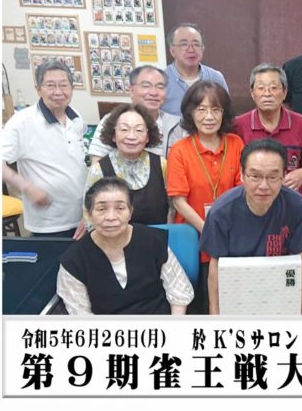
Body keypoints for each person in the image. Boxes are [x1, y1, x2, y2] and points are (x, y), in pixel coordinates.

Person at [200, 139, 302, 315]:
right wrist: (215, 315)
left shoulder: (297, 206)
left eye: (272, 177)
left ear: (284, 176)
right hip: (237, 288)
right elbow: (215, 266)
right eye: (255, 176)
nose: (264, 186)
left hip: (281, 286)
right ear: (242, 174)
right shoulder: (221, 211)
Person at [57, 177, 194, 314]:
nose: (111, 217)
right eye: (101, 209)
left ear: (130, 212)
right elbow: (81, 315)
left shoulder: (153, 241)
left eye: (120, 208)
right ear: (89, 214)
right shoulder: (73, 260)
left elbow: (179, 292)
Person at [167, 81, 244, 313]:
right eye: (201, 109)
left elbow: (242, 193)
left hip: (231, 236)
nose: (209, 117)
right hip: (193, 237)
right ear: (190, 113)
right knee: (198, 304)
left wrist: (224, 233)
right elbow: (178, 201)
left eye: (215, 109)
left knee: (228, 303)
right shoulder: (180, 149)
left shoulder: (236, 143)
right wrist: (209, 230)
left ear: (224, 113)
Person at [2, 60, 87, 238]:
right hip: (49, 221)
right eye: (50, 85)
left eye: (63, 85)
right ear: (38, 89)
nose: (58, 92)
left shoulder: (76, 117)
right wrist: (28, 188)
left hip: (81, 215)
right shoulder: (22, 122)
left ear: (72, 88)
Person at [234, 64, 302, 194]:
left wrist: (301, 174)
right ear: (252, 93)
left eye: (273, 88)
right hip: (253, 197)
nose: (267, 94)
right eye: (261, 88)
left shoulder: (300, 123)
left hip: (291, 197)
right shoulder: (238, 125)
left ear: (284, 93)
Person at [84, 103, 169, 226]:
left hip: (157, 235)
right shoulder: (98, 170)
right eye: (124, 129)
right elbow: (88, 214)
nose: (131, 136)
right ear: (113, 135)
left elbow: (173, 207)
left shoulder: (162, 165)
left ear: (148, 136)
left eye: (139, 130)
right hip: (113, 236)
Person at [88, 65, 186, 162]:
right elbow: (97, 163)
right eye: (146, 86)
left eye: (160, 87)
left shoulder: (177, 124)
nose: (154, 93)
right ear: (131, 90)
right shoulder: (113, 120)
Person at [163, 23, 228, 117]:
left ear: (202, 49)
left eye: (196, 44)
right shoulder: (161, 80)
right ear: (172, 50)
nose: (191, 49)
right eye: (184, 44)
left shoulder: (216, 78)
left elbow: (226, 112)